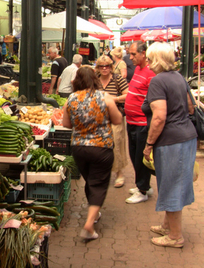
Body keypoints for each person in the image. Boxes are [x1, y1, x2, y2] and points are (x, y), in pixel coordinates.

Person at [142, 42, 197, 248]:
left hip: (171, 141)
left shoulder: (158, 81)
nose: (146, 62)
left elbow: (159, 118)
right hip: (186, 138)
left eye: (149, 58)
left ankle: (175, 237)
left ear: (156, 60)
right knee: (172, 182)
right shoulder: (179, 78)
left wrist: (149, 144)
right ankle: (167, 225)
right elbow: (191, 108)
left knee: (172, 185)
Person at [62, 67, 123, 240]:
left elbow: (66, 124)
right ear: (95, 79)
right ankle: (89, 224)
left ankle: (94, 214)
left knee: (90, 180)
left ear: (77, 81)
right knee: (99, 183)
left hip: (79, 148)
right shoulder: (105, 98)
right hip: (101, 147)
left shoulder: (71, 99)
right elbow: (118, 120)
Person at [124, 41, 156, 204]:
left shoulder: (151, 73)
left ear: (143, 54)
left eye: (133, 54)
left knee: (140, 158)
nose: (131, 57)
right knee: (133, 155)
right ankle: (144, 185)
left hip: (142, 123)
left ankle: (142, 190)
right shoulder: (137, 69)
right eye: (130, 54)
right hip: (131, 121)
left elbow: (154, 99)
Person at [95, 55, 129, 188]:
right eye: (102, 66)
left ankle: (119, 173)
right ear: (98, 68)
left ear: (111, 67)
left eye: (107, 66)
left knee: (116, 144)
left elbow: (128, 94)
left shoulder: (117, 79)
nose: (104, 69)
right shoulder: (96, 80)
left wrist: (112, 99)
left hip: (115, 117)